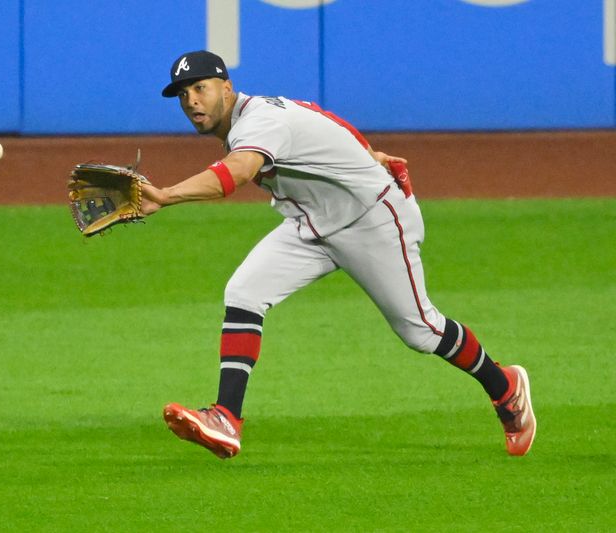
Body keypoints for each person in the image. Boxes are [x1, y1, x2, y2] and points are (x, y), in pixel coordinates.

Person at [140, 50, 536, 459]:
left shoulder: (261, 121)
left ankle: (505, 388)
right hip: (311, 224)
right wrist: (370, 154)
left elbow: (237, 173)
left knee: (420, 330)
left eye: (200, 88)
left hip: (371, 221)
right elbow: (327, 119)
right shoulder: (259, 114)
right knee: (244, 293)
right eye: (183, 94)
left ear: (226, 87)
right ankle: (226, 418)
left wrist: (165, 195)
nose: (191, 101)